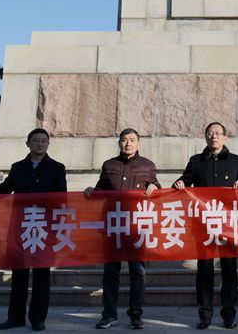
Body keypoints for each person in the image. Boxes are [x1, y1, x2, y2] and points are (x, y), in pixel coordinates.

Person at [0, 128, 67, 332]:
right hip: (21, 228)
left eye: (43, 141)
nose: (39, 144)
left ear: (48, 144)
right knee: (19, 275)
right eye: (36, 140)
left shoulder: (57, 168)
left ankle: (38, 318)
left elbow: (62, 200)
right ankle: (15, 318)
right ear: (28, 144)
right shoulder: (18, 168)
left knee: (42, 276)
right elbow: (3, 189)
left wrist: (57, 228)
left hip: (44, 229)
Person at [172, 121, 238, 330]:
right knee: (205, 269)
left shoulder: (235, 161)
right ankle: (205, 314)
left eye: (217, 133)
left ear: (225, 137)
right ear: (206, 137)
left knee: (229, 270)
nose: (214, 136)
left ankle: (229, 314)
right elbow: (185, 181)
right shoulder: (196, 161)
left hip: (228, 224)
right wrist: (179, 183)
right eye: (210, 133)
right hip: (204, 224)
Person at [86, 128, 160, 330]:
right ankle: (109, 314)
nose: (128, 143)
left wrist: (155, 187)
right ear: (119, 143)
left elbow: (157, 188)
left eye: (132, 140)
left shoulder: (147, 165)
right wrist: (92, 191)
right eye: (125, 140)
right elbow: (101, 189)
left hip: (136, 226)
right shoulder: (109, 165)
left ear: (138, 143)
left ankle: (136, 314)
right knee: (111, 272)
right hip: (113, 225)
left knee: (138, 272)